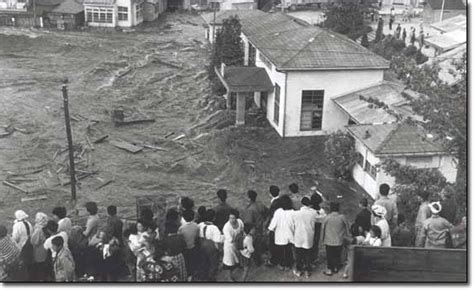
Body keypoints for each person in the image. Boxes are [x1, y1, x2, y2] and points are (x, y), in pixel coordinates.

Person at [292, 196, 320, 278]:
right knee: (308, 253)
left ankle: (299, 269)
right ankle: (308, 270)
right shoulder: (313, 213)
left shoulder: (296, 213)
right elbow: (320, 218)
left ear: (302, 203)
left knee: (298, 253)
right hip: (309, 235)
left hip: (298, 235)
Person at [320, 202, 350, 276]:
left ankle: (330, 269)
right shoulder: (342, 217)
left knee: (330, 255)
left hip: (329, 240)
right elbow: (347, 228)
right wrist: (347, 235)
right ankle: (336, 267)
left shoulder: (327, 217)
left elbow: (323, 229)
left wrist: (322, 239)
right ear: (338, 208)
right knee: (337, 254)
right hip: (339, 240)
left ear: (330, 208)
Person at [268, 195, 295, 271]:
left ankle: (282, 264)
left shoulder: (278, 212)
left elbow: (273, 224)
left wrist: (270, 229)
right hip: (290, 234)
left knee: (281, 251)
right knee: (288, 250)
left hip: (280, 236)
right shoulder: (293, 212)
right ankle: (288, 264)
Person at [241, 190, 267, 265]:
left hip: (253, 230)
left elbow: (247, 223)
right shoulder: (260, 204)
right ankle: (260, 257)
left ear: (249, 198)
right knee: (259, 243)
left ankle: (257, 261)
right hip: (260, 228)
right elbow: (267, 212)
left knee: (254, 245)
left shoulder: (249, 209)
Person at [222, 208, 244, 281]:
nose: (231, 220)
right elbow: (230, 240)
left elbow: (242, 231)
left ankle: (238, 266)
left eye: (233, 218)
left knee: (238, 258)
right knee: (229, 262)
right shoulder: (226, 227)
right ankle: (229, 277)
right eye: (230, 218)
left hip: (238, 244)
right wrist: (238, 237)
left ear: (237, 218)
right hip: (229, 247)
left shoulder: (240, 222)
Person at [178, 209, 200, 280]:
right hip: (193, 247)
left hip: (185, 249)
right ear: (193, 217)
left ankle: (189, 275)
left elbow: (180, 239)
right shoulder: (196, 226)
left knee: (187, 264)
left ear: (183, 218)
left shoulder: (181, 229)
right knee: (194, 262)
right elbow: (197, 237)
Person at [12, 210, 33, 278]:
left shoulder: (17, 225)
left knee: (23, 261)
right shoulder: (29, 223)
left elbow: (15, 238)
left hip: (22, 246)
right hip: (30, 243)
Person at [30, 212, 50, 281]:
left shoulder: (38, 230)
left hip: (39, 252)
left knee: (40, 269)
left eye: (36, 218)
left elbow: (34, 241)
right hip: (46, 250)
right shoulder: (46, 226)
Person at [265, 185, 281, 267]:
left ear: (270, 194)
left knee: (273, 244)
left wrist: (268, 228)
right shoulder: (280, 201)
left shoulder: (274, 204)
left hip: (275, 226)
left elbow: (271, 217)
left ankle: (274, 260)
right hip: (281, 225)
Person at [309, 191, 326, 265]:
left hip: (310, 227)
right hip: (318, 228)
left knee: (310, 242)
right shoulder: (322, 211)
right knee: (315, 242)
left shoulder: (310, 211)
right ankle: (314, 257)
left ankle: (309, 257)